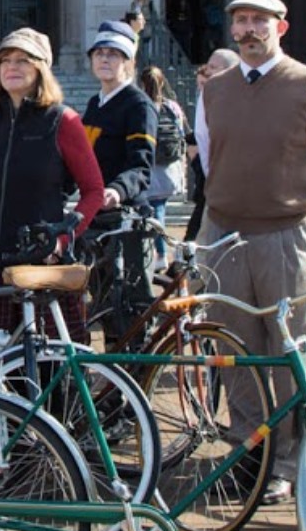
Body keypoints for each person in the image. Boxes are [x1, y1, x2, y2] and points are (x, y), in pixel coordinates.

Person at [192, 0, 306, 506]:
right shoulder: (214, 90)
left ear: (281, 27)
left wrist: (295, 209)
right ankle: (248, 450)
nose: (248, 29)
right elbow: (209, 157)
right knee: (233, 349)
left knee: (289, 350)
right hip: (222, 235)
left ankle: (288, 461)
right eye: (240, 20)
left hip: (287, 235)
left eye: (259, 20)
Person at [0, 27, 106, 346]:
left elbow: (94, 191)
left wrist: (61, 241)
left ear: (41, 68)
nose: (11, 66)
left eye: (23, 60)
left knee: (52, 381)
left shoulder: (63, 121)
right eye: (4, 60)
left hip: (40, 270)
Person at [83, 20, 158, 346]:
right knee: (102, 309)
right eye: (99, 53)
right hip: (96, 223)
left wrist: (116, 190)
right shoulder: (94, 104)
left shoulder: (138, 104)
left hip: (126, 223)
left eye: (114, 54)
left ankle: (134, 387)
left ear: (129, 61)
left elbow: (141, 166)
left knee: (128, 313)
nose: (105, 60)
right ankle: (112, 391)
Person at [184, 49, 242, 241]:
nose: (208, 71)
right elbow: (202, 135)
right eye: (208, 66)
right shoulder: (208, 95)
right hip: (216, 181)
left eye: (214, 67)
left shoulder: (248, 93)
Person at [137, 66, 187, 224]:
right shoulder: (172, 107)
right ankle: (160, 247)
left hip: (149, 167)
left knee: (155, 211)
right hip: (169, 166)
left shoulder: (141, 106)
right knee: (159, 207)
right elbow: (181, 133)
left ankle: (160, 249)